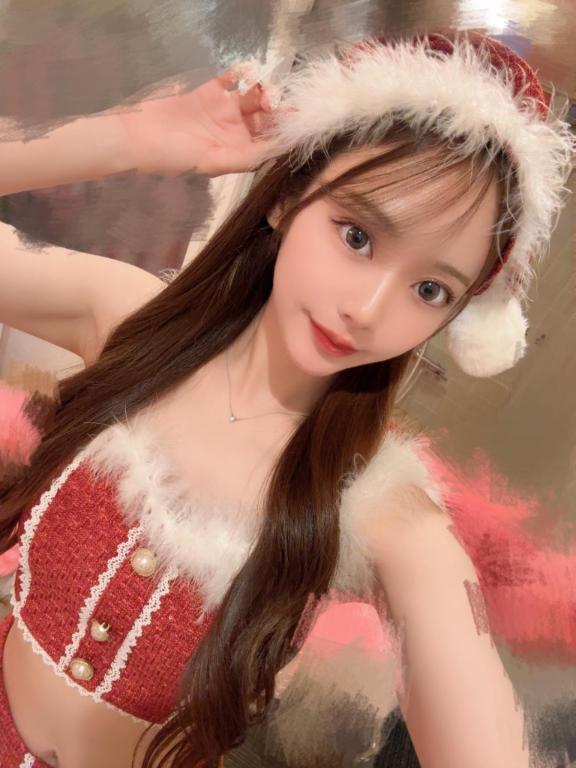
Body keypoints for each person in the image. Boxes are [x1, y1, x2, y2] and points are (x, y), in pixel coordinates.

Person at [0, 29, 573, 768]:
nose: (367, 309)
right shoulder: (129, 323)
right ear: (288, 198)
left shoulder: (381, 509)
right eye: (357, 236)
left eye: (431, 289)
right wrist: (134, 139)